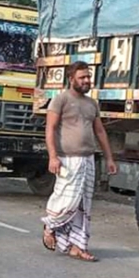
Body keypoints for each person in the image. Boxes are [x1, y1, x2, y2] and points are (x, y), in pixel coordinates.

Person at [41, 61, 117, 262]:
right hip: (67, 160)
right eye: (82, 77)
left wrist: (109, 158)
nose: (86, 81)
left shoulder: (92, 104)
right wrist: (52, 156)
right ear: (71, 78)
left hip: (88, 159)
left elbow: (99, 131)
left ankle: (78, 246)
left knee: (84, 205)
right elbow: (49, 129)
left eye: (88, 77)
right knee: (66, 200)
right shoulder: (60, 100)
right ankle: (50, 225)